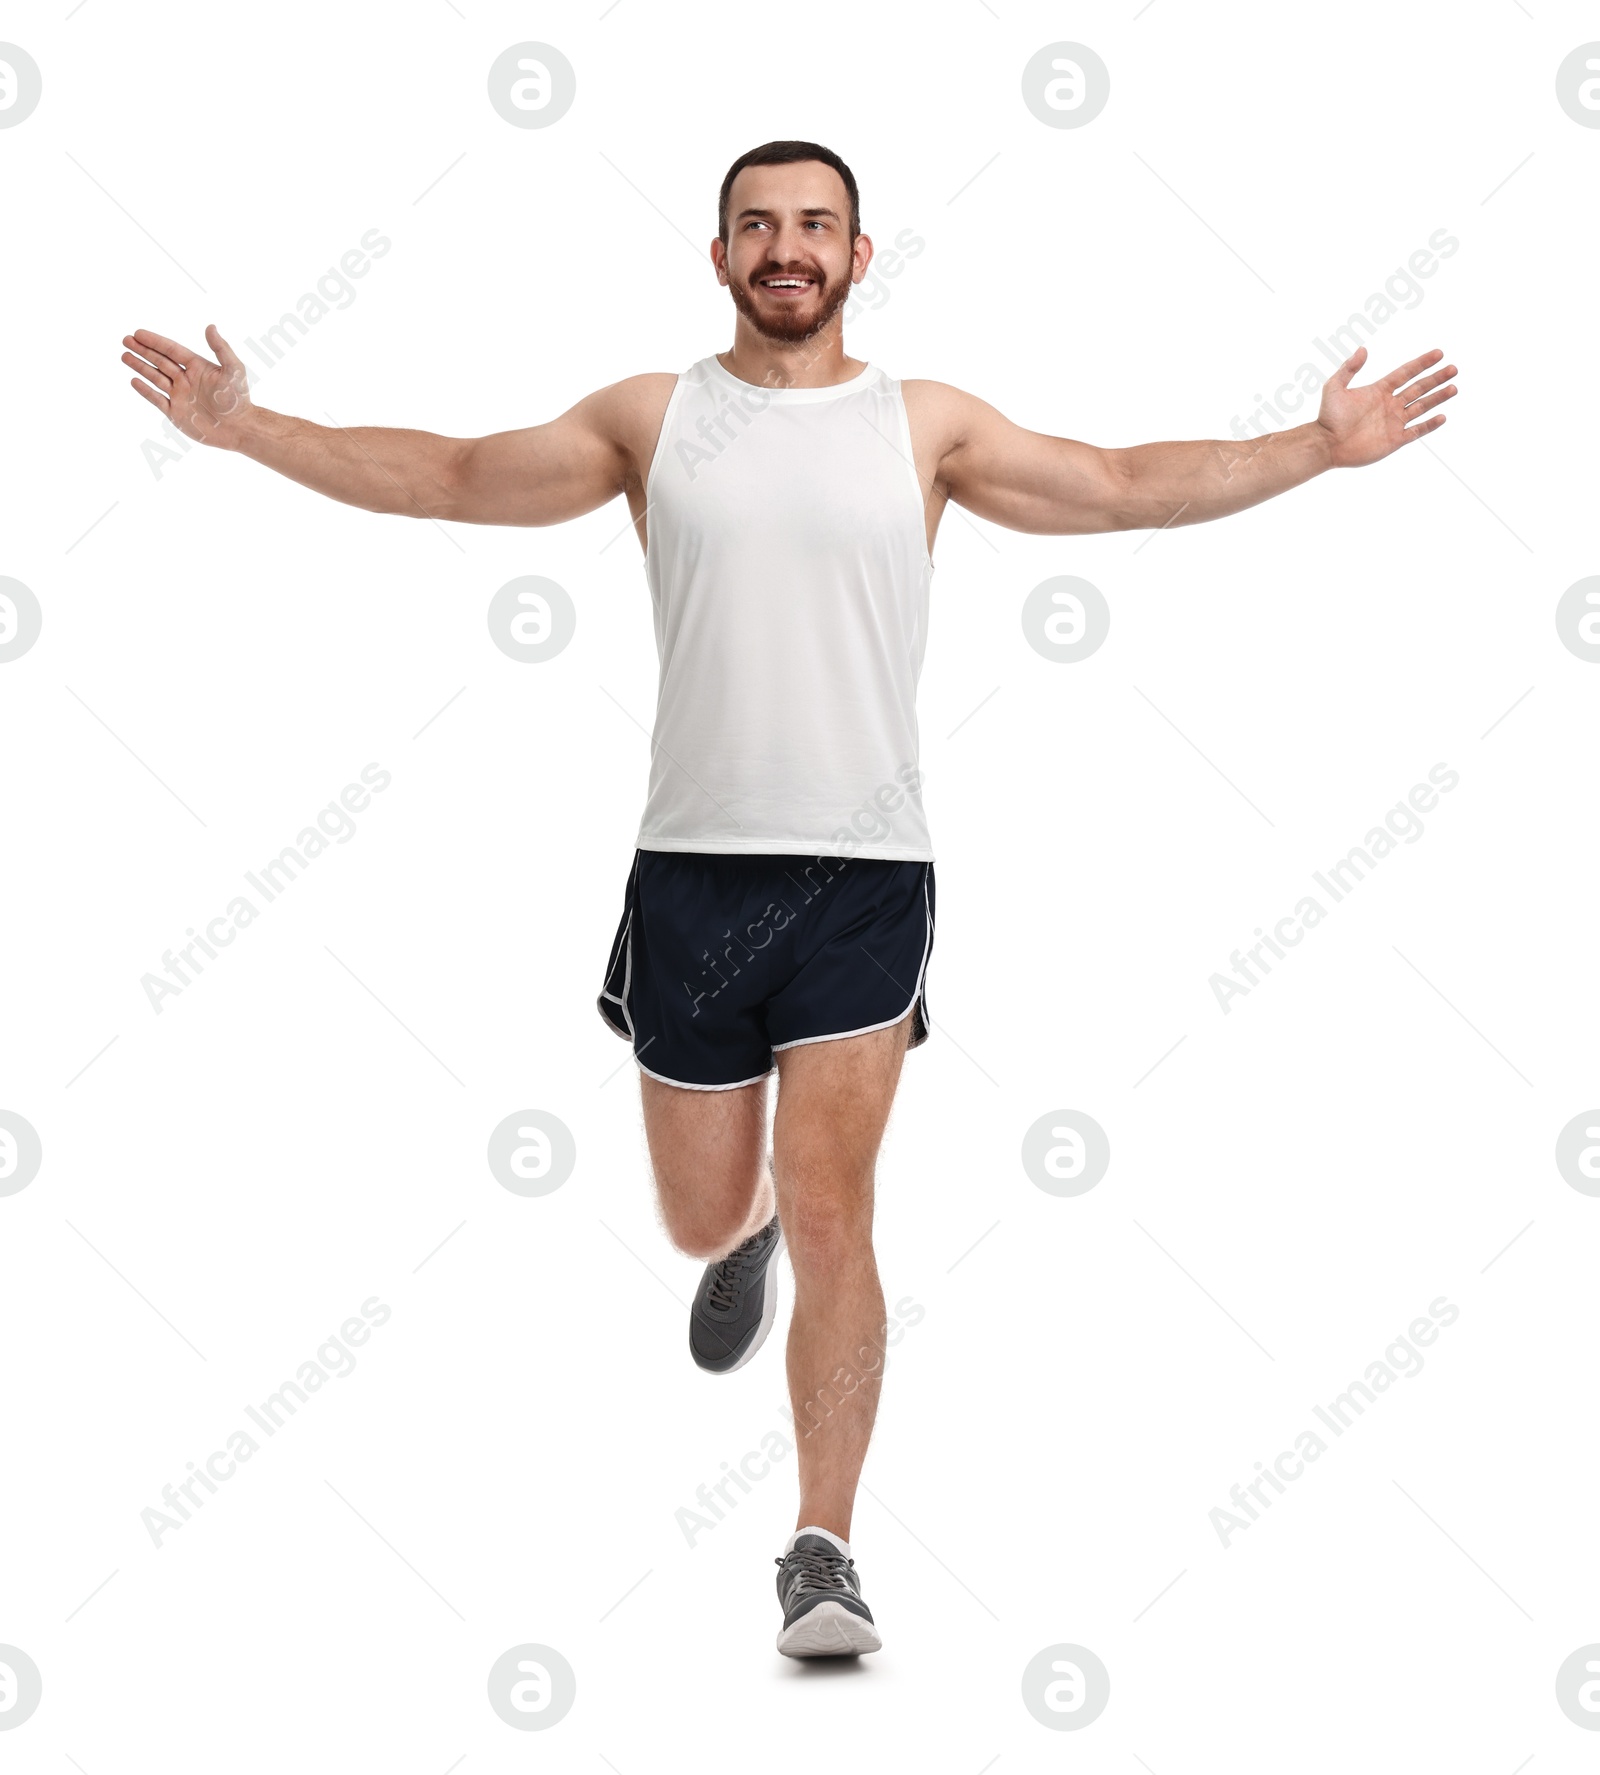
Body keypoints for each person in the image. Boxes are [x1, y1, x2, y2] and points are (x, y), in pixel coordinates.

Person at [121, 137, 1459, 1659]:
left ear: (857, 255)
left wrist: (1315, 445)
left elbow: (1114, 487)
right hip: (693, 870)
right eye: (757, 223)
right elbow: (447, 477)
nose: (786, 246)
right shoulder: (650, 417)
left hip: (864, 876)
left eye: (814, 224)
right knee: (708, 1218)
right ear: (719, 257)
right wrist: (247, 429)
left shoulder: (925, 423)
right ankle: (736, 1224)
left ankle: (820, 1547)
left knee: (842, 1204)